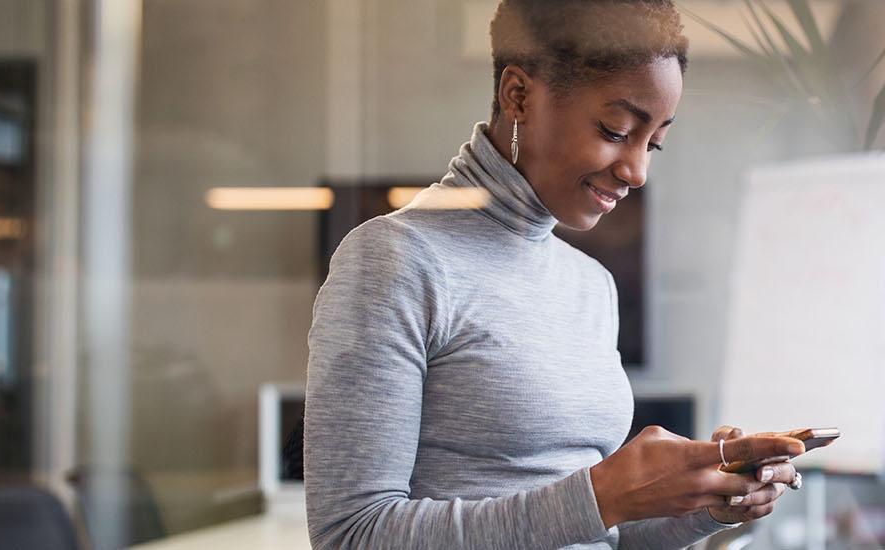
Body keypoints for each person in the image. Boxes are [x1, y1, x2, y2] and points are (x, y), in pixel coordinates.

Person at [304, 1, 806, 548]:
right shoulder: (395, 260)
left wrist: (708, 504)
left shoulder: (592, 285)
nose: (637, 170)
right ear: (518, 95)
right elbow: (350, 536)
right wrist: (607, 493)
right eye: (616, 130)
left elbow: (591, 533)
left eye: (654, 142)